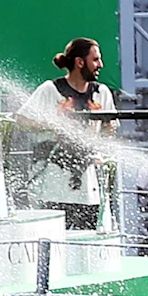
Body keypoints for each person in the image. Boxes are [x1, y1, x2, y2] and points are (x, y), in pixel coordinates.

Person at [17, 35, 118, 236]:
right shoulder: (51, 89)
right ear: (80, 62)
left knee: (87, 241)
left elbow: (110, 128)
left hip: (89, 188)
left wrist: (104, 134)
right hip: (52, 184)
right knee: (52, 242)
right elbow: (22, 120)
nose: (101, 65)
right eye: (95, 59)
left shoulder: (102, 92)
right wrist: (53, 126)